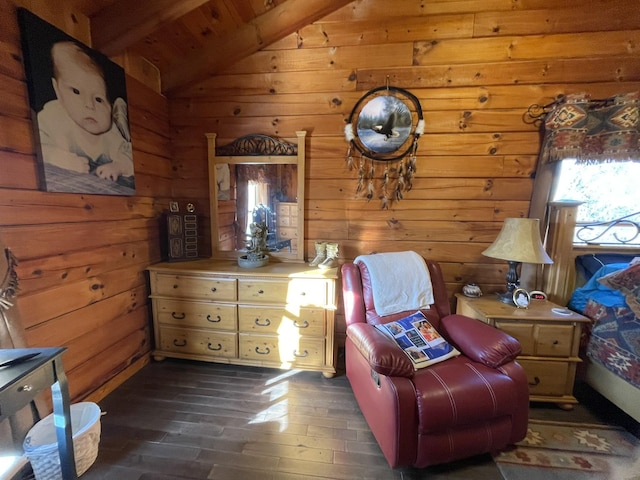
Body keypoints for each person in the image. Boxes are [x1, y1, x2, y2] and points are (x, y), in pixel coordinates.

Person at [37, 41, 133, 186]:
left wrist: (118, 166)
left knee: (122, 131)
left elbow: (129, 155)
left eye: (98, 99)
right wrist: (59, 158)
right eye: (76, 91)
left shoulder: (110, 133)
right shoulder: (52, 117)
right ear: (57, 90)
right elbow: (36, 146)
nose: (89, 105)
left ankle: (120, 114)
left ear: (109, 106)